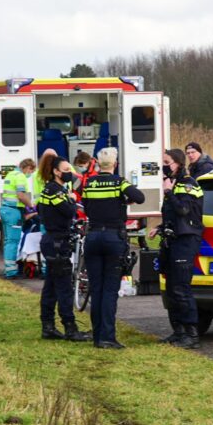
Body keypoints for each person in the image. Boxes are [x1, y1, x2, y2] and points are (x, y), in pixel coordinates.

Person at [82, 147, 145, 349]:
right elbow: (140, 197)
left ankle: (97, 335)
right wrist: (124, 201)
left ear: (98, 164)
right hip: (112, 237)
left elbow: (87, 204)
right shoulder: (119, 182)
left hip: (92, 237)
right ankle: (107, 337)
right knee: (110, 290)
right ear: (115, 164)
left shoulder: (89, 183)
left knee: (96, 288)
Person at [148, 148, 205, 349]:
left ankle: (192, 335)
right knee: (171, 288)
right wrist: (160, 227)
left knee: (181, 288)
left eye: (167, 162)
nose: (164, 166)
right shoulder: (173, 184)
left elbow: (184, 210)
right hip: (171, 240)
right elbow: (173, 216)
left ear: (178, 164)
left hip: (185, 241)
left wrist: (168, 192)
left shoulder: (188, 184)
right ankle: (178, 331)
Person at [37, 153, 90, 342]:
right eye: (66, 170)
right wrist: (70, 198)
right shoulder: (54, 191)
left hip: (52, 241)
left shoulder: (49, 189)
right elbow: (69, 211)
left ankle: (48, 326)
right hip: (57, 242)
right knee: (64, 287)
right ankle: (70, 328)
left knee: (50, 286)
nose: (70, 173)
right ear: (55, 171)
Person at [0, 158, 37, 279]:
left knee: (7, 241)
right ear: (28, 168)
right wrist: (31, 205)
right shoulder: (20, 176)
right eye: (31, 171)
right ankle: (11, 272)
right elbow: (21, 195)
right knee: (13, 241)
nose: (30, 174)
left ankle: (8, 268)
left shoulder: (11, 173)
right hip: (13, 212)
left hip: (5, 209)